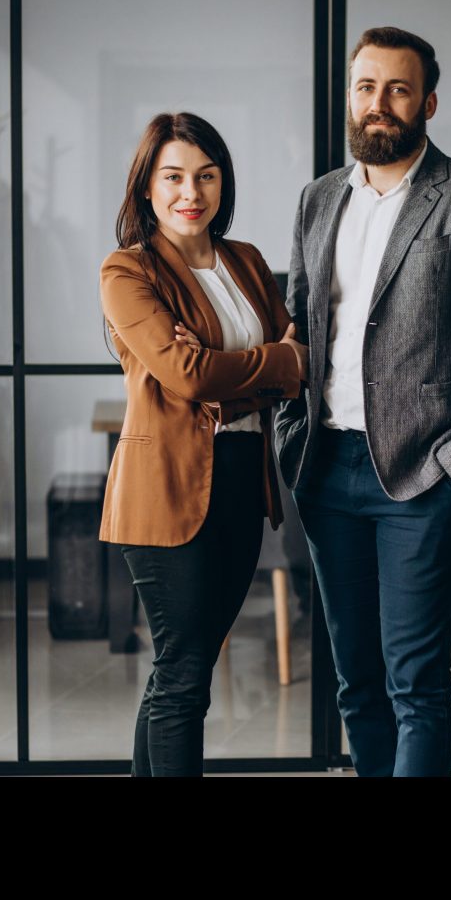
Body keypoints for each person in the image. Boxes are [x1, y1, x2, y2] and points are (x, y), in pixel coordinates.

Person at [274, 26, 451, 777]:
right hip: (325, 469)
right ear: (349, 97)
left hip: (421, 476)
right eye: (365, 86)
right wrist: (293, 431)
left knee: (414, 684)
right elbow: (297, 324)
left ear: (427, 103)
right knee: (356, 684)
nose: (378, 103)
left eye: (397, 89)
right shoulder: (318, 199)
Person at [99, 112, 308, 777]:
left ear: (223, 184)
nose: (192, 191)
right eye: (174, 177)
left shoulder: (244, 260)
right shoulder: (128, 270)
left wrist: (233, 376)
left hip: (243, 477)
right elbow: (186, 375)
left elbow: (298, 362)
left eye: (206, 176)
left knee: (180, 671)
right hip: (164, 493)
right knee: (185, 673)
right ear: (147, 188)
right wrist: (269, 363)